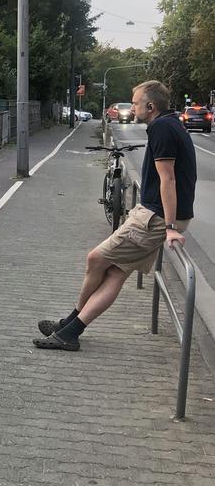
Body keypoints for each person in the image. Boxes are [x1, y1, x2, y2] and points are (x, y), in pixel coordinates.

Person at [34, 81, 196, 351]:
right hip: (157, 215)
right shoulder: (171, 123)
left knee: (96, 259)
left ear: (150, 106)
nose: (132, 107)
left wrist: (169, 227)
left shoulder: (162, 129)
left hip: (155, 218)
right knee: (114, 274)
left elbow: (168, 179)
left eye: (135, 103)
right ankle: (69, 328)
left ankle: (70, 327)